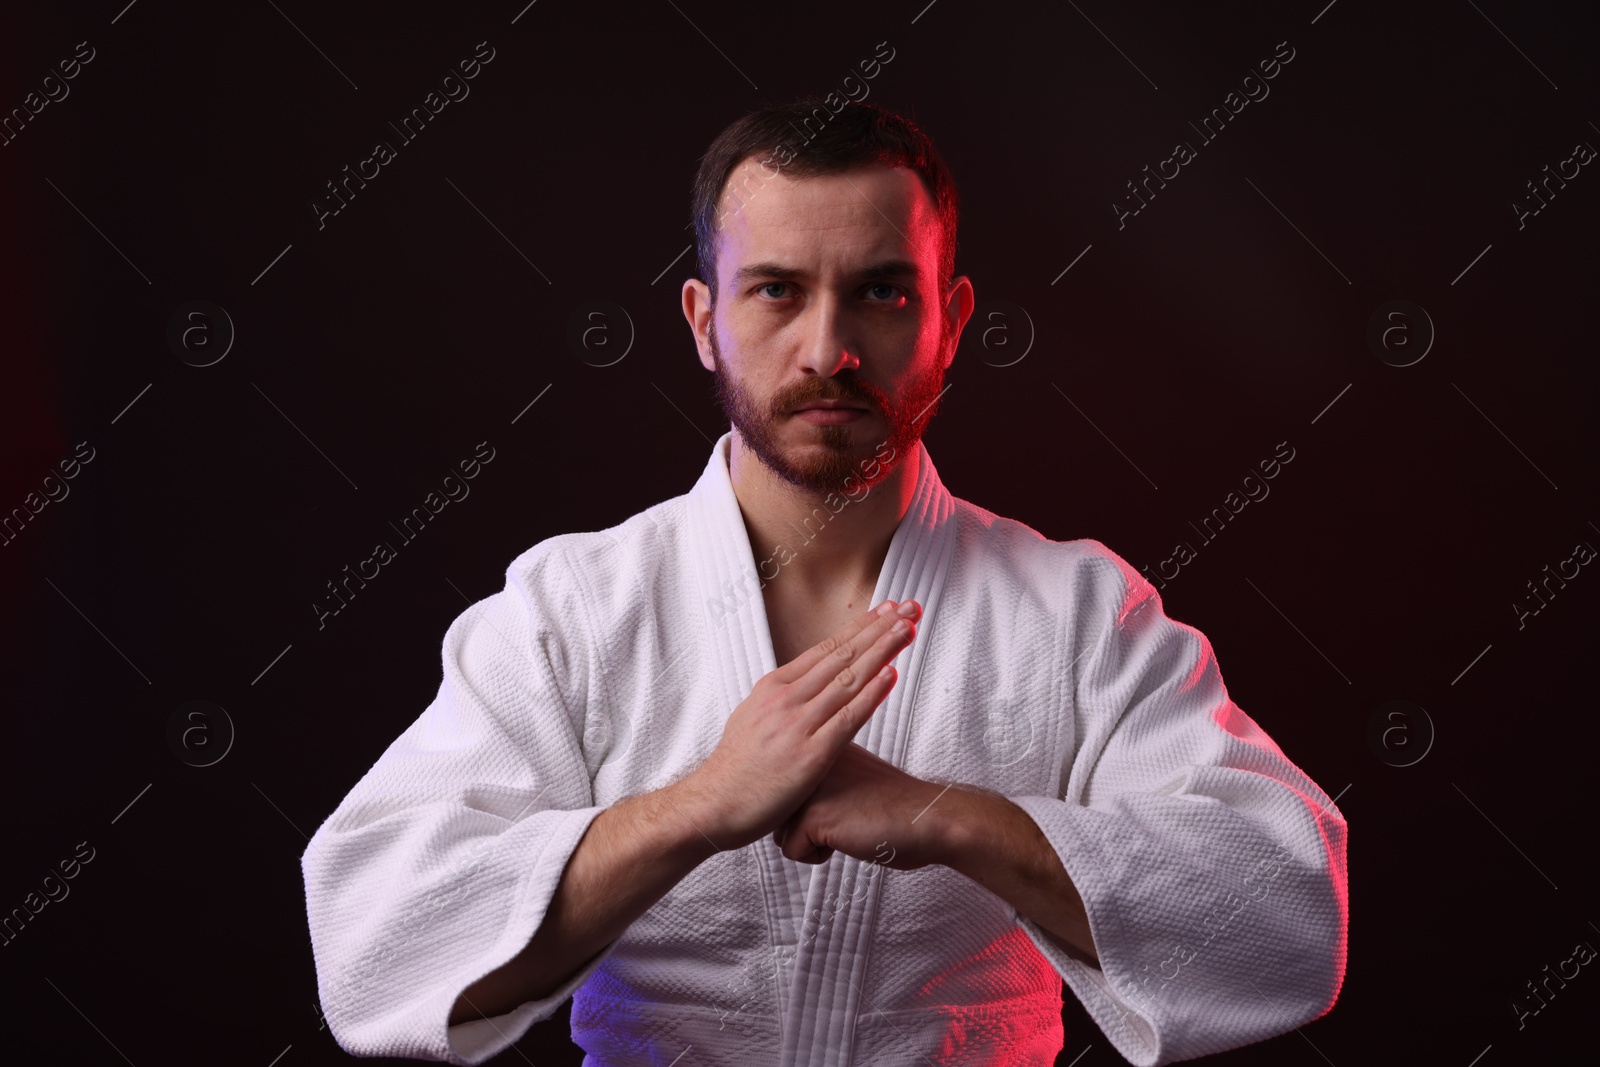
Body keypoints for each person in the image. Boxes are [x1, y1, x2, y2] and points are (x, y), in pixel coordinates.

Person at [300, 98, 1348, 1066]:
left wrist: (947, 816)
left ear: (951, 316)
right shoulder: (572, 607)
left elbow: (1286, 910)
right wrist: (697, 806)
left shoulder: (1074, 610)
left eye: (883, 291)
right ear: (703, 317)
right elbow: (373, 938)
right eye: (777, 291)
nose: (829, 348)